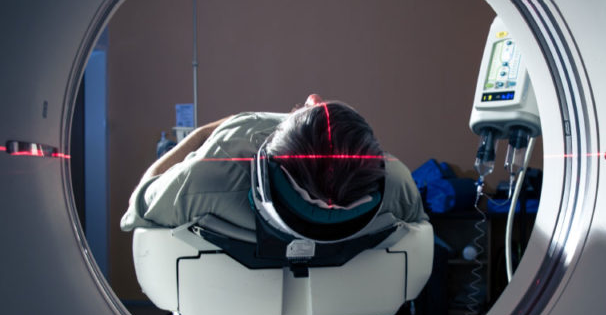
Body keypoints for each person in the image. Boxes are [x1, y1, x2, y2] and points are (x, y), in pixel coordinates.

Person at [120, 95, 426, 244]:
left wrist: (203, 134)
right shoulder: (398, 183)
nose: (313, 98)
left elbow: (138, 206)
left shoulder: (203, 180)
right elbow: (417, 233)